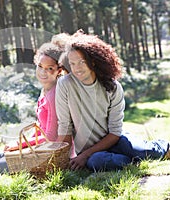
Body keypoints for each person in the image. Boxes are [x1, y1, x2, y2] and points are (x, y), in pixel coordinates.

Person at [55, 30, 170, 172]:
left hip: (116, 140)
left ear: (93, 61)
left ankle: (162, 147)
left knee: (144, 151)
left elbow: (115, 132)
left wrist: (84, 156)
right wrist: (63, 160)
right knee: (97, 162)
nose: (77, 68)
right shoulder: (64, 84)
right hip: (92, 153)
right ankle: (132, 161)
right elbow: (64, 126)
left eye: (82, 62)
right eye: (72, 64)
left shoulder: (112, 87)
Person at [0, 41, 72, 174]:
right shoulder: (45, 90)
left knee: (1, 165)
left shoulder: (54, 95)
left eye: (49, 68)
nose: (43, 72)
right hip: (42, 145)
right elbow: (40, 127)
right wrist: (21, 145)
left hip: (53, 150)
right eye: (40, 66)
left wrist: (21, 146)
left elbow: (51, 136)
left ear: (59, 71)